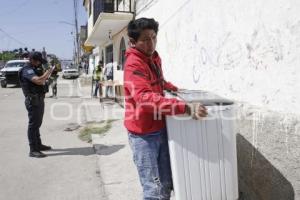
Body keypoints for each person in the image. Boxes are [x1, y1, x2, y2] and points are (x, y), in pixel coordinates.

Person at [124, 18, 208, 200]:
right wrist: (185, 107)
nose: (151, 43)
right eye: (145, 39)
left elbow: (159, 82)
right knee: (152, 189)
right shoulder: (133, 64)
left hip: (161, 127)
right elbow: (144, 98)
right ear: (133, 42)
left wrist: (175, 89)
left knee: (166, 183)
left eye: (154, 37)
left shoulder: (153, 57)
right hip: (143, 135)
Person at [19, 51, 52, 158]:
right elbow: (38, 81)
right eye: (38, 61)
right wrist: (48, 72)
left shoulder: (35, 68)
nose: (39, 63)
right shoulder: (26, 70)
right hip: (32, 101)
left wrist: (48, 73)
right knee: (33, 125)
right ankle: (33, 150)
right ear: (32, 60)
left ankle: (38, 144)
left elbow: (42, 81)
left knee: (37, 124)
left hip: (39, 99)